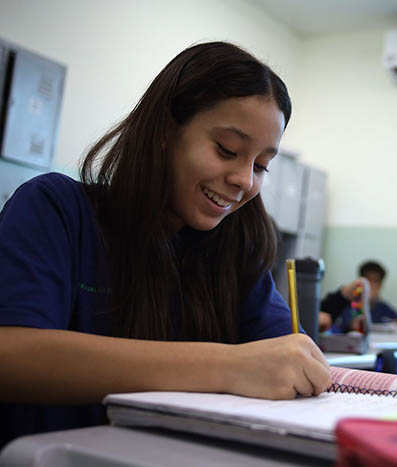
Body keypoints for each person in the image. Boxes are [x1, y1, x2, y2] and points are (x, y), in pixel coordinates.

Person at [0, 42, 330, 447]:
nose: (245, 180)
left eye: (261, 165)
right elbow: (11, 355)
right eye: (227, 150)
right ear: (164, 131)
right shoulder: (57, 209)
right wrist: (227, 366)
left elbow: (284, 359)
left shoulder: (235, 249)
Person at [318, 261, 397, 333]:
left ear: (380, 285)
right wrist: (363, 301)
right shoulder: (352, 304)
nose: (371, 285)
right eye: (369, 281)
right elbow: (354, 325)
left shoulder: (381, 306)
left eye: (376, 281)